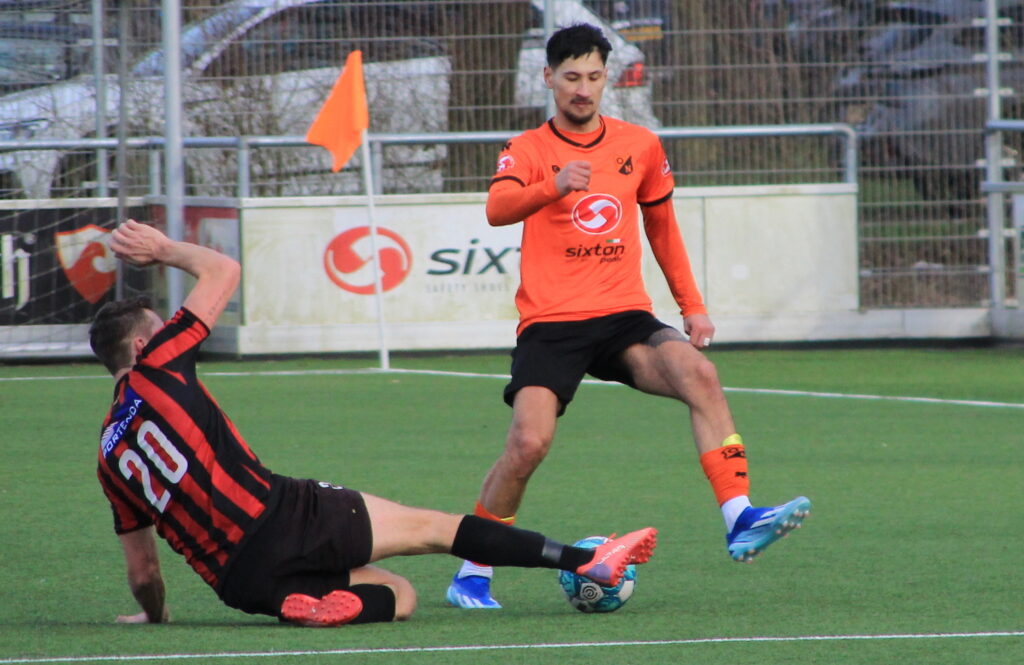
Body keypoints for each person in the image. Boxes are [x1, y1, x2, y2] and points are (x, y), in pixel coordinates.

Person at [91, 219, 657, 627]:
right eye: (159, 327)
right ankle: (587, 560)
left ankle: (308, 606)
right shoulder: (159, 365)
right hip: (284, 515)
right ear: (142, 347)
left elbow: (143, 572)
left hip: (239, 582)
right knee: (436, 529)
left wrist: (155, 615)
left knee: (399, 595)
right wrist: (162, 249)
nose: (169, 331)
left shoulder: (108, 457)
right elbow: (223, 269)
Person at [445, 23, 811, 610]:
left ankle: (740, 516)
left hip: (623, 316)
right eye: (571, 77)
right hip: (552, 323)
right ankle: (473, 568)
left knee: (700, 375)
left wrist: (693, 307)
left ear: (606, 78)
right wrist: (553, 184)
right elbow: (497, 207)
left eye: (593, 76)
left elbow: (662, 230)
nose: (582, 89)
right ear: (548, 78)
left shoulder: (640, 144)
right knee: (529, 443)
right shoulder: (528, 148)